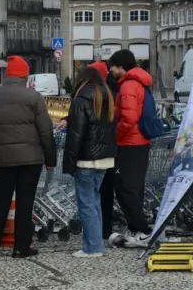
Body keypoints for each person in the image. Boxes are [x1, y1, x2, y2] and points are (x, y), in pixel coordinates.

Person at [0, 55, 56, 258]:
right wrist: (50, 159)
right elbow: (45, 131)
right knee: (25, 203)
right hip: (31, 159)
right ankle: (21, 247)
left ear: (7, 74)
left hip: (3, 159)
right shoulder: (33, 97)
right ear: (24, 75)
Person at [62, 66, 117, 258]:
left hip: (86, 159)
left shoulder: (80, 99)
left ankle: (93, 247)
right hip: (104, 158)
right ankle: (95, 243)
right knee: (94, 202)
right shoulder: (107, 96)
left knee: (86, 203)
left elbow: (76, 135)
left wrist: (69, 162)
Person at [107, 49, 154, 248]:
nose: (110, 70)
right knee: (135, 187)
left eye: (113, 67)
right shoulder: (140, 82)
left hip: (129, 144)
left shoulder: (128, 86)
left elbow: (129, 118)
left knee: (125, 188)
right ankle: (137, 228)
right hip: (140, 142)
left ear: (121, 67)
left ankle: (142, 229)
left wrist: (115, 136)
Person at [89, 61, 119, 242]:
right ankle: (104, 227)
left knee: (96, 191)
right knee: (105, 191)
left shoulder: (100, 95)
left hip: (97, 149)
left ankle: (100, 229)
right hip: (108, 149)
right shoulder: (111, 93)